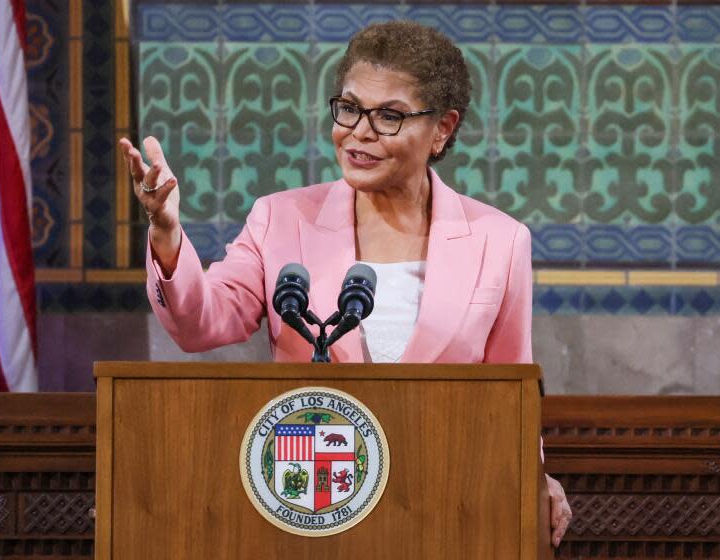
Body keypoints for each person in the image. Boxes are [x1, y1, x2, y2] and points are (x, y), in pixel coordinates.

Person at [120, 20, 572, 546]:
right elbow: (200, 325)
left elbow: (512, 393)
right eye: (351, 108)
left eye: (389, 116)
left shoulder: (499, 241)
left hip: (446, 509)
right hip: (313, 512)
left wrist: (532, 477)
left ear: (443, 129)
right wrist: (167, 233)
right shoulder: (280, 219)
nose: (359, 131)